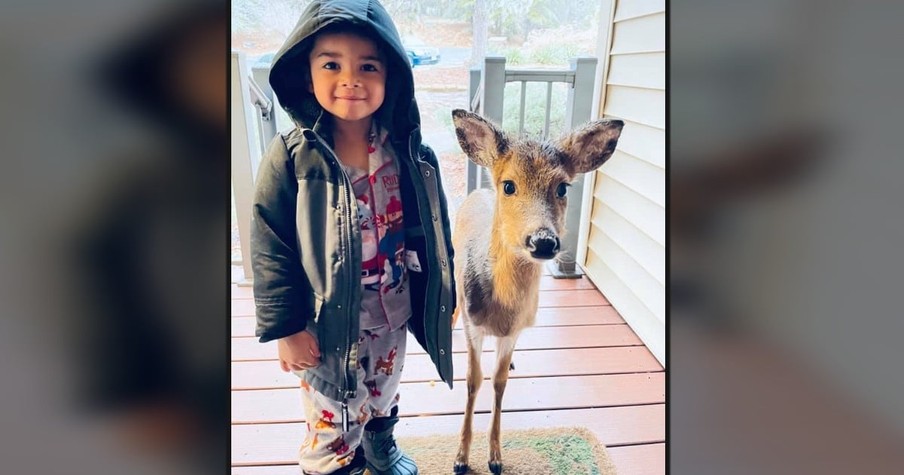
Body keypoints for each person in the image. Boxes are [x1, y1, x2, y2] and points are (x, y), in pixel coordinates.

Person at [250, 1, 456, 474]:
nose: (351, 79)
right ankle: (332, 464)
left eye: (368, 65)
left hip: (392, 309)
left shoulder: (409, 153)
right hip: (324, 321)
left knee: (383, 390)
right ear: (307, 75)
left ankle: (380, 447)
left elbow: (435, 229)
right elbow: (269, 243)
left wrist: (446, 293)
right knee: (333, 411)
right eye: (331, 64)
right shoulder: (292, 159)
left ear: (393, 77)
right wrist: (286, 327)